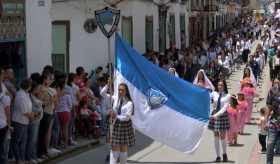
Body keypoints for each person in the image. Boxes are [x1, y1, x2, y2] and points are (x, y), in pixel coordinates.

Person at [101, 82, 135, 164]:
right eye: (119, 90)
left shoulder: (129, 103)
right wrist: (108, 85)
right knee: (114, 147)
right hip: (115, 125)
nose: (120, 92)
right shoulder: (115, 98)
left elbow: (127, 117)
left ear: (126, 91)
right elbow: (102, 93)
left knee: (123, 148)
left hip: (124, 126)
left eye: (122, 90)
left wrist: (116, 115)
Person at [11, 79, 33, 164]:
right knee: (17, 141)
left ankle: (22, 159)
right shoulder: (20, 95)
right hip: (19, 121)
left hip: (24, 121)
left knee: (23, 142)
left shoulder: (26, 94)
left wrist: (32, 115)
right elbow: (24, 111)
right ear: (28, 86)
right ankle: (19, 159)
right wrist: (32, 116)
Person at [208, 80, 230, 162]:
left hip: (222, 116)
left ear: (224, 86)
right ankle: (218, 156)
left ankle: (224, 154)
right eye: (218, 85)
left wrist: (215, 115)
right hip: (214, 115)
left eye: (221, 85)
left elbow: (224, 108)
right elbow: (207, 99)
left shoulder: (227, 96)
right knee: (216, 136)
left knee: (223, 136)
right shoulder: (214, 93)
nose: (219, 86)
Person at [26, 81, 43, 163]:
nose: (39, 90)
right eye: (38, 89)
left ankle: (34, 156)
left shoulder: (35, 96)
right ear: (34, 89)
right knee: (32, 140)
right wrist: (38, 112)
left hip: (37, 120)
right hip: (33, 121)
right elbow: (32, 110)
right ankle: (30, 158)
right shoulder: (30, 97)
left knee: (35, 139)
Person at [55, 81, 73, 149]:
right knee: (65, 129)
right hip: (65, 112)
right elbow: (70, 105)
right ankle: (65, 144)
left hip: (58, 112)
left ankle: (60, 143)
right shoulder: (67, 95)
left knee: (59, 129)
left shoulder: (56, 95)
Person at [0, 67, 11, 164]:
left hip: (2, 123)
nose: (4, 76)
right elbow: (7, 109)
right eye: (2, 74)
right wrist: (9, 123)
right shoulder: (3, 90)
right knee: (3, 149)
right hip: (2, 124)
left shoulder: (3, 86)